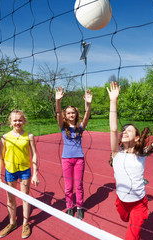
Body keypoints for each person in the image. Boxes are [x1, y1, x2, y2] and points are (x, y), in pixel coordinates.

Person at [107, 82, 153, 240]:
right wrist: (113, 101)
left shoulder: (142, 153)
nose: (124, 131)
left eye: (129, 130)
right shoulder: (116, 153)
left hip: (139, 203)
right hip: (121, 201)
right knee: (125, 219)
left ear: (137, 137)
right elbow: (113, 128)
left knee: (132, 235)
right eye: (124, 130)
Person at [0, 110, 39, 238]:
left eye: (20, 120)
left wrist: (35, 173)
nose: (17, 122)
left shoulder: (29, 136)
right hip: (10, 170)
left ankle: (25, 223)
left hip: (25, 169)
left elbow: (34, 155)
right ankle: (12, 223)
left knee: (25, 196)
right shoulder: (5, 137)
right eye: (15, 120)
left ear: (24, 121)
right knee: (11, 198)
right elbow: (0, 157)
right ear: (10, 121)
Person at [55, 87, 92, 220]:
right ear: (66, 115)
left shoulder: (80, 127)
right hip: (66, 159)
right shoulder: (62, 127)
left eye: (73, 113)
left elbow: (87, 116)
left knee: (79, 185)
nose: (71, 115)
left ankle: (80, 207)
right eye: (69, 113)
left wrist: (88, 104)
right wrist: (58, 101)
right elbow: (58, 114)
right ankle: (70, 207)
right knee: (68, 186)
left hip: (79, 159)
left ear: (76, 114)